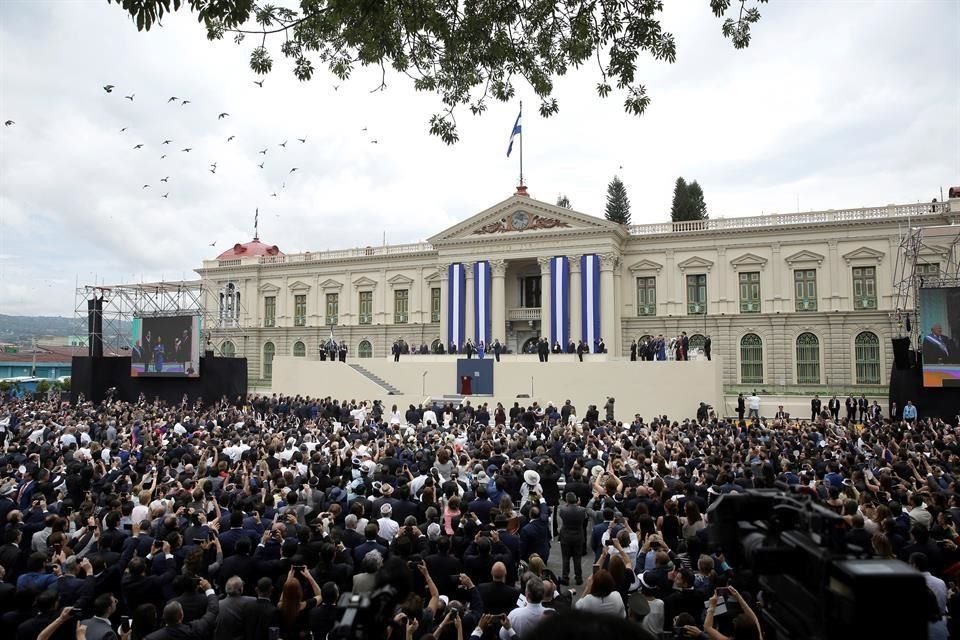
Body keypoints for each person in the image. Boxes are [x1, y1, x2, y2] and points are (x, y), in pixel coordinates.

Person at [557, 492, 586, 586]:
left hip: (565, 536)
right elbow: (585, 518)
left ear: (567, 500)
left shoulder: (562, 510)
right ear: (576, 500)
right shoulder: (582, 510)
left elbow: (563, 512)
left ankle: (565, 578)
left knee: (565, 558)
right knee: (577, 559)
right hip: (578, 536)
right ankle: (579, 578)